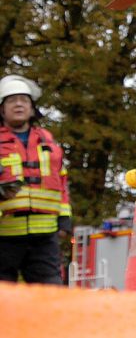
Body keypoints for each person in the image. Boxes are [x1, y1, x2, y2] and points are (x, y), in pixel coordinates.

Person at [0, 75, 72, 284]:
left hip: (44, 236)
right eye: (12, 100)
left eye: (24, 100)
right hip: (4, 234)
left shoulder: (48, 143)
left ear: (32, 109)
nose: (19, 104)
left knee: (49, 297)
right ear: (2, 109)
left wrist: (64, 218)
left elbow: (62, 182)